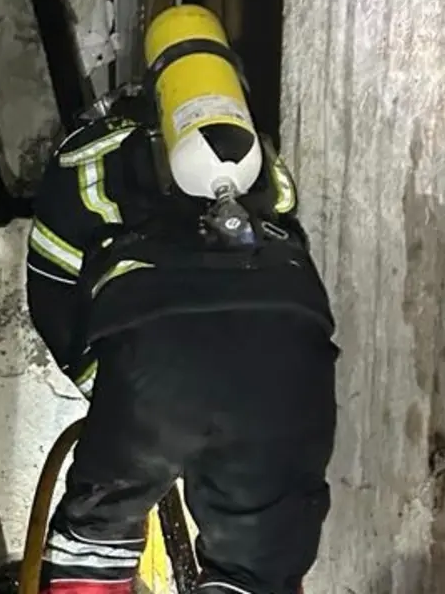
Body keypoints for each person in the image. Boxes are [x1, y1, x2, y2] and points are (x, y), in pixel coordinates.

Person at [25, 86, 338, 594]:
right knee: (255, 569)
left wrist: (107, 389)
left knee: (97, 540)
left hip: (156, 357)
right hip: (290, 352)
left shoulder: (85, 158)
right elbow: (289, 236)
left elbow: (52, 292)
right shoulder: (253, 154)